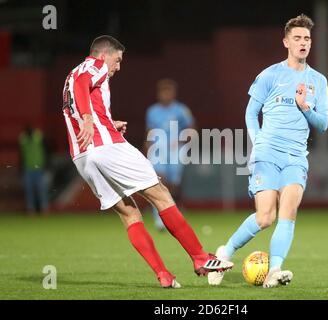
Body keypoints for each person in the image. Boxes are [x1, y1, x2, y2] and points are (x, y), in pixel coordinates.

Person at [62, 35, 233, 288]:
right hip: (106, 147)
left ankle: (163, 275)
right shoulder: (93, 66)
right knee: (161, 194)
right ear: (103, 55)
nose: (118, 67)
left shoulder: (70, 75)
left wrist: (108, 123)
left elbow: (78, 98)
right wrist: (89, 119)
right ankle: (200, 258)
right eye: (117, 60)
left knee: (130, 214)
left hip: (83, 156)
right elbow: (84, 87)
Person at [208, 14, 328, 288]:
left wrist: (305, 107)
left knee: (288, 212)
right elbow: (251, 113)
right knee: (265, 218)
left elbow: (323, 124)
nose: (303, 43)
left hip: (296, 157)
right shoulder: (270, 75)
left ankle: (275, 270)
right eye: (297, 38)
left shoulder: (318, 82)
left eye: (307, 38)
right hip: (268, 152)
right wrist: (257, 142)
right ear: (286, 42)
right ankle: (224, 254)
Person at [145, 79, 194, 231]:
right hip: (158, 150)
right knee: (160, 180)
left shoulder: (181, 110)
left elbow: (191, 129)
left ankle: (170, 211)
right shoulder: (152, 111)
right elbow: (148, 132)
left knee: (173, 184)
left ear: (173, 93)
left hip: (175, 150)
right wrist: (147, 148)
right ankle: (160, 216)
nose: (165, 94)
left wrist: (181, 141)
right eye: (163, 91)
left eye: (168, 91)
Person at [19, 125, 49, 213]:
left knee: (41, 190)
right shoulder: (23, 139)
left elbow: (46, 150)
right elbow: (21, 154)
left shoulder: (38, 137)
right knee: (29, 191)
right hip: (28, 168)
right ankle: (31, 209)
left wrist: (47, 164)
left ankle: (44, 209)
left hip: (39, 167)